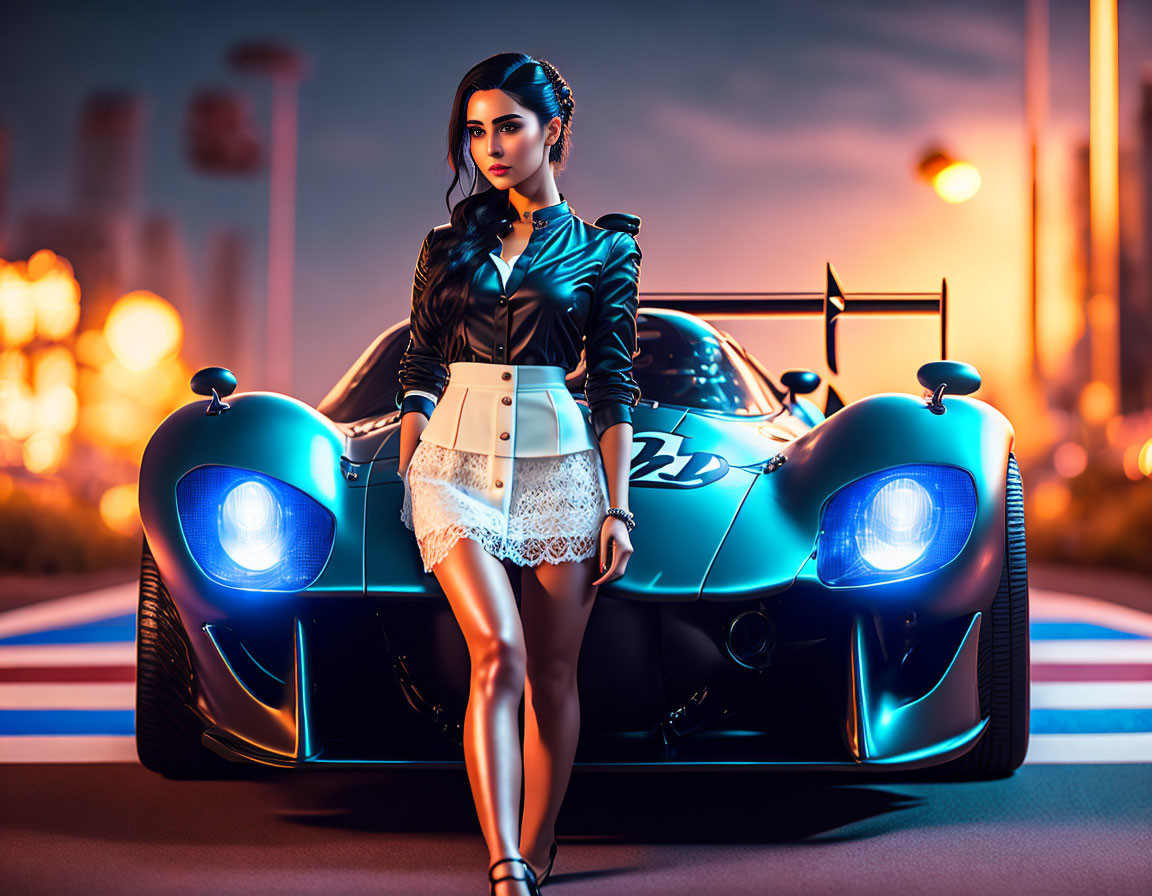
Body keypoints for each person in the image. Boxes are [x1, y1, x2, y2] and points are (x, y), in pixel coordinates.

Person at [394, 53, 642, 896]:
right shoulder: (443, 245)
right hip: (452, 467)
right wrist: (410, 466)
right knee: (495, 651)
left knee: (552, 674)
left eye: (508, 126)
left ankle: (537, 847)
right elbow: (420, 363)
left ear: (552, 130)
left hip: (561, 469)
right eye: (476, 130)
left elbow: (613, 385)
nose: (490, 146)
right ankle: (504, 864)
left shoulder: (606, 251)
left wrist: (618, 510)